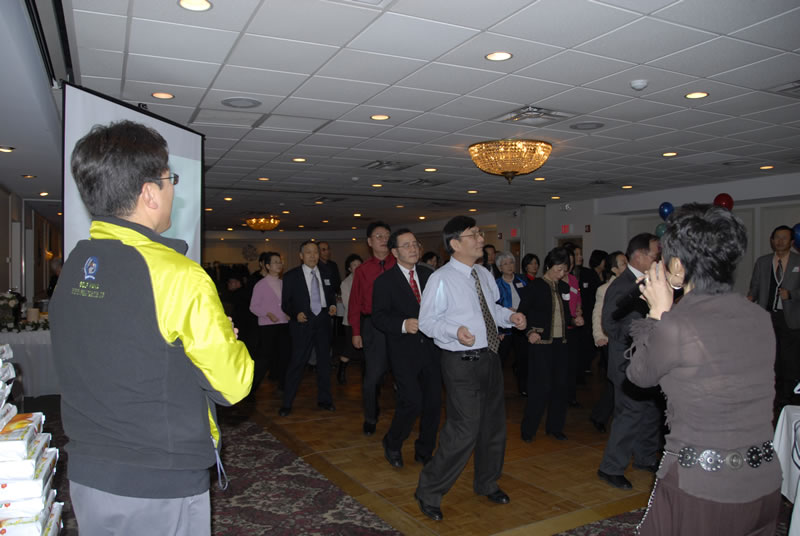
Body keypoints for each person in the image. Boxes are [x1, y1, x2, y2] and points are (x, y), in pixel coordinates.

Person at [50, 120, 253, 536]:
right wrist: (226, 339)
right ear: (149, 193)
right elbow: (233, 385)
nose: (173, 190)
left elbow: (125, 348)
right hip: (159, 478)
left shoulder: (75, 265)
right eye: (169, 180)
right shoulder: (179, 275)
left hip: (88, 471)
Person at [628, 204, 781, 535]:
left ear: (677, 266)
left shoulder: (678, 324)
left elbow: (639, 374)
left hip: (704, 486)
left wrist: (657, 314)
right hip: (763, 479)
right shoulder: (759, 317)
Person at [414, 216, 526, 522]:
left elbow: (490, 310)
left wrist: (510, 317)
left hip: (490, 357)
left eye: (479, 234)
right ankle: (429, 491)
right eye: (473, 235)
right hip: (460, 363)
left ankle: (487, 483)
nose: (480, 239)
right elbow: (427, 322)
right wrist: (455, 331)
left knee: (493, 427)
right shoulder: (441, 279)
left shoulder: (483, 273)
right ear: (455, 244)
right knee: (464, 430)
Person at [597, 233, 662, 490]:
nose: (659, 260)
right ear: (640, 256)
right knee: (629, 413)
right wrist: (640, 333)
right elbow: (609, 325)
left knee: (650, 410)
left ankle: (645, 458)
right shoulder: (622, 285)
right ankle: (611, 468)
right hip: (626, 360)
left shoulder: (649, 282)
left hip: (648, 359)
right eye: (655, 255)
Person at [372, 229, 441, 469]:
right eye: (406, 245)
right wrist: (403, 324)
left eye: (415, 244)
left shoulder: (429, 275)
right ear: (394, 252)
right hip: (403, 351)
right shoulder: (384, 281)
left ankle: (424, 450)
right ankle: (392, 442)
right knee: (412, 401)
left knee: (433, 403)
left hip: (432, 349)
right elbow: (378, 317)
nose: (413, 249)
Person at [517, 247, 578, 441]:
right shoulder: (535, 287)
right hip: (541, 343)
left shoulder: (563, 287)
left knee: (560, 386)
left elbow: (566, 314)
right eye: (559, 269)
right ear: (549, 266)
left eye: (565, 270)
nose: (561, 274)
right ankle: (528, 430)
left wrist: (574, 319)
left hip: (561, 343)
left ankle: (555, 427)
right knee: (539, 388)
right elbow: (521, 313)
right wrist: (529, 332)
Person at [278, 241, 337, 416]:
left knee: (324, 363)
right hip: (302, 323)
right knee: (297, 363)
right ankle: (287, 403)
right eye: (309, 252)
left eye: (315, 252)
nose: (313, 255)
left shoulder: (327, 272)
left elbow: (331, 295)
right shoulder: (291, 276)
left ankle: (325, 400)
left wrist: (332, 305)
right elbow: (285, 303)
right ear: (301, 256)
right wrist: (295, 314)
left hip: (323, 321)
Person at [348, 221, 396, 436]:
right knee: (372, 377)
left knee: (404, 374)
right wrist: (356, 332)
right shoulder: (363, 270)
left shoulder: (401, 264)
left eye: (387, 235)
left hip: (399, 324)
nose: (384, 240)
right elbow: (355, 303)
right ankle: (370, 417)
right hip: (373, 326)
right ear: (369, 242)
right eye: (379, 236)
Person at [747, 225, 800, 410]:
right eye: (776, 237)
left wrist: (791, 294)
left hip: (791, 317)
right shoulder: (763, 262)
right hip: (767, 316)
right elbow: (754, 287)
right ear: (771, 240)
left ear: (792, 242)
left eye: (784, 238)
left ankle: (787, 398)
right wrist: (750, 298)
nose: (780, 241)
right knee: (769, 358)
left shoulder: (798, 261)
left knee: (789, 360)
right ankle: (770, 397)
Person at [589, 251, 627, 433]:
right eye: (623, 263)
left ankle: (601, 415)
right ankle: (602, 416)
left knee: (618, 382)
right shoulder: (604, 289)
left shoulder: (632, 286)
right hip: (609, 340)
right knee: (616, 381)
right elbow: (597, 314)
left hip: (626, 340)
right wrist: (599, 336)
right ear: (614, 269)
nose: (627, 266)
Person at [249, 252, 290, 392]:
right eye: (275, 262)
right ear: (267, 266)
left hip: (283, 325)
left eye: (280, 262)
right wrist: (267, 314)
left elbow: (287, 304)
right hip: (267, 327)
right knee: (264, 359)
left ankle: (283, 386)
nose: (279, 264)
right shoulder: (260, 285)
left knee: (284, 356)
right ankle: (250, 389)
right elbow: (253, 307)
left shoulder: (284, 283)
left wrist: (289, 313)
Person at [494, 251, 528, 395]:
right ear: (500, 268)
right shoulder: (496, 284)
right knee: (501, 359)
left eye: (511, 262)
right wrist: (499, 330)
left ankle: (524, 388)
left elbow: (529, 300)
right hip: (505, 328)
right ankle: (496, 389)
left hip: (520, 325)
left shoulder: (522, 280)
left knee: (523, 358)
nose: (509, 266)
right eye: (505, 264)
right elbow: (494, 307)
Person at [337, 253, 363, 384]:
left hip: (366, 321)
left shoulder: (367, 279)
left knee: (367, 349)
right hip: (351, 321)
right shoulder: (346, 283)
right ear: (349, 268)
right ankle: (341, 372)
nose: (357, 267)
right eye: (354, 265)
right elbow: (348, 304)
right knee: (349, 348)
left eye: (359, 264)